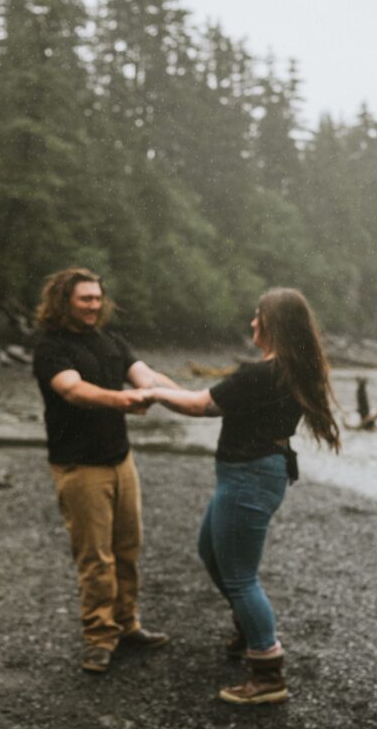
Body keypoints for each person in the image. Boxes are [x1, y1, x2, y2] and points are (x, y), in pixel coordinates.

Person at [146, 287, 340, 705]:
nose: (252, 322)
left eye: (258, 315)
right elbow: (208, 398)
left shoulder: (260, 374)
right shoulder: (288, 370)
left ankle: (268, 672)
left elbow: (201, 406)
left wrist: (152, 393)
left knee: (239, 575)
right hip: (252, 473)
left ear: (272, 324)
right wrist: (157, 382)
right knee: (211, 552)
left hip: (249, 477)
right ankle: (252, 628)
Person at [32, 267, 179, 674]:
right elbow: (72, 390)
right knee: (96, 559)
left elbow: (144, 375)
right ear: (64, 302)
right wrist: (123, 401)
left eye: (97, 298)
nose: (94, 305)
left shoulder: (110, 340)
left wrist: (191, 398)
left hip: (120, 460)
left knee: (128, 549)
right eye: (85, 299)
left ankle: (127, 624)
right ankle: (99, 638)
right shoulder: (50, 347)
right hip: (80, 467)